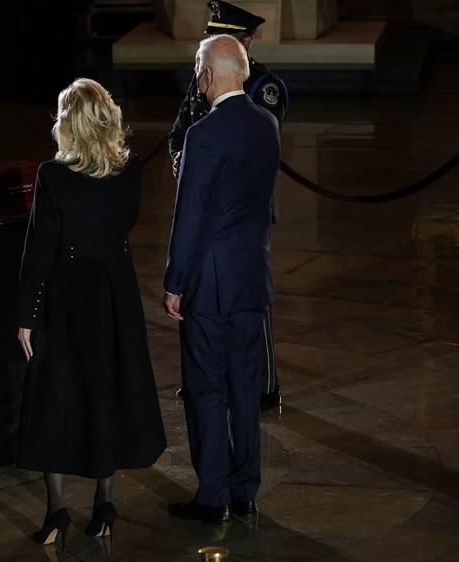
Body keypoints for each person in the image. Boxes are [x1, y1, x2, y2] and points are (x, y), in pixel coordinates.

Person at [15, 78, 166, 545]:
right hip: (114, 293)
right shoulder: (132, 169)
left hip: (66, 295)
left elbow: (39, 248)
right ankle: (105, 504)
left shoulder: (53, 175)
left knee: (54, 396)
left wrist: (26, 314)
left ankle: (56, 511)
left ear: (68, 123)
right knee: (107, 388)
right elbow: (125, 224)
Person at [163, 34, 281, 525]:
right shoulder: (268, 124)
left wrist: (175, 282)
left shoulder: (203, 135)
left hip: (208, 287)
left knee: (206, 390)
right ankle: (245, 490)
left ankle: (213, 496)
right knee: (244, 389)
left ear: (207, 75)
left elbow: (189, 217)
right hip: (251, 279)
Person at [169, 0, 287, 411]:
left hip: (244, 208)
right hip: (206, 203)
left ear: (247, 43)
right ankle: (213, 379)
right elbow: (180, 132)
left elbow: (256, 150)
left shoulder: (261, 87)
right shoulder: (200, 82)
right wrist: (183, 164)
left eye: (231, 38)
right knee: (212, 302)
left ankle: (264, 382)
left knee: (251, 307)